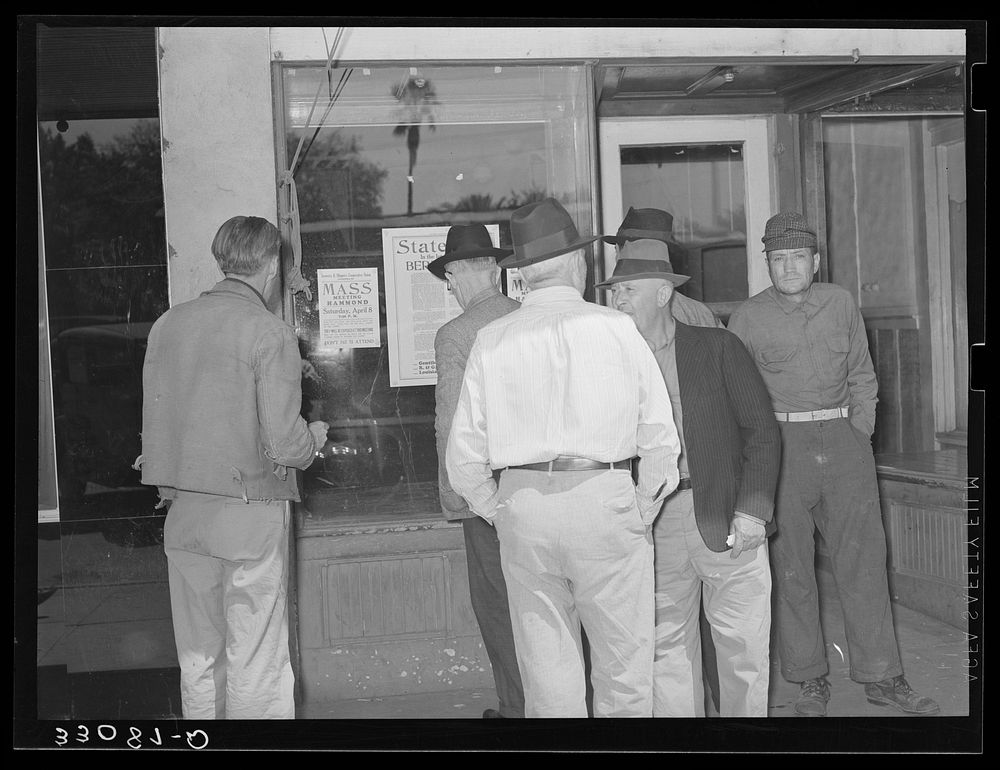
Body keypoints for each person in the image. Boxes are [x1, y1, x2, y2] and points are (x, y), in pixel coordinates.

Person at [446, 198, 680, 718]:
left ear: (522, 276)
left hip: (524, 505)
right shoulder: (618, 329)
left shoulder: (490, 339)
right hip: (604, 498)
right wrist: (639, 506)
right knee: (624, 671)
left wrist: (500, 506)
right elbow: (661, 443)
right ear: (577, 263)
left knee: (548, 680)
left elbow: (462, 458)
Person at [727, 211, 940, 717]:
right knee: (792, 567)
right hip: (782, 449)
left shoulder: (841, 302)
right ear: (768, 264)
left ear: (815, 260)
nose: (788, 267)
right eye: (778, 259)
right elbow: (736, 395)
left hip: (845, 444)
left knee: (864, 563)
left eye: (797, 257)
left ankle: (883, 676)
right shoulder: (748, 318)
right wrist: (759, 453)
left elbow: (864, 374)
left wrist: (859, 431)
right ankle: (809, 680)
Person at [138, 215, 329, 719]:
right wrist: (314, 438)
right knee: (257, 658)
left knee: (199, 656)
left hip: (182, 513)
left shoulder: (166, 326)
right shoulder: (269, 332)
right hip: (249, 516)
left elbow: (156, 423)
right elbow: (286, 446)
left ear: (223, 260)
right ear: (270, 265)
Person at [597, 238, 780, 717]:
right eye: (614, 292)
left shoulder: (717, 347)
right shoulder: (610, 363)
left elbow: (761, 433)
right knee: (665, 654)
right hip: (653, 525)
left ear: (662, 294)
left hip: (726, 516)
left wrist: (753, 511)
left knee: (742, 650)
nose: (617, 301)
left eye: (627, 290)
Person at [427, 224, 524, 719]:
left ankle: (516, 710)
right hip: (542, 484)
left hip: (485, 492)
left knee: (498, 604)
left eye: (451, 275)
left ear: (464, 273)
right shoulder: (528, 318)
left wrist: (455, 499)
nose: (452, 286)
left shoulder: (456, 335)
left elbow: (450, 423)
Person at [604, 207, 722, 328]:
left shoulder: (629, 318)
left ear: (624, 252)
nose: (619, 299)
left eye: (629, 289)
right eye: (614, 290)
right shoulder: (701, 312)